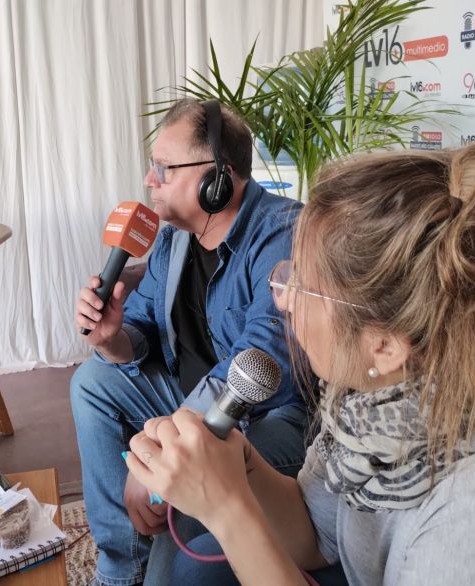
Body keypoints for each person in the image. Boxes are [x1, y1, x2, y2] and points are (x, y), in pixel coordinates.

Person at [125, 140, 475, 585]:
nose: (282, 297)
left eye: (305, 286)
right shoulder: (373, 401)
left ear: (386, 345)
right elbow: (315, 534)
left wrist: (227, 511)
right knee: (191, 566)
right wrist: (242, 466)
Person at [71, 98, 308, 586]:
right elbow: (140, 334)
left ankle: (156, 555)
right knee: (93, 379)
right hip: (190, 401)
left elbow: (256, 363)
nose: (149, 181)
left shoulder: (283, 234)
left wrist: (160, 457)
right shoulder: (174, 238)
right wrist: (112, 338)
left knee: (171, 548)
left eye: (164, 168)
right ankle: (119, 571)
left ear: (217, 179)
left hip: (267, 417)